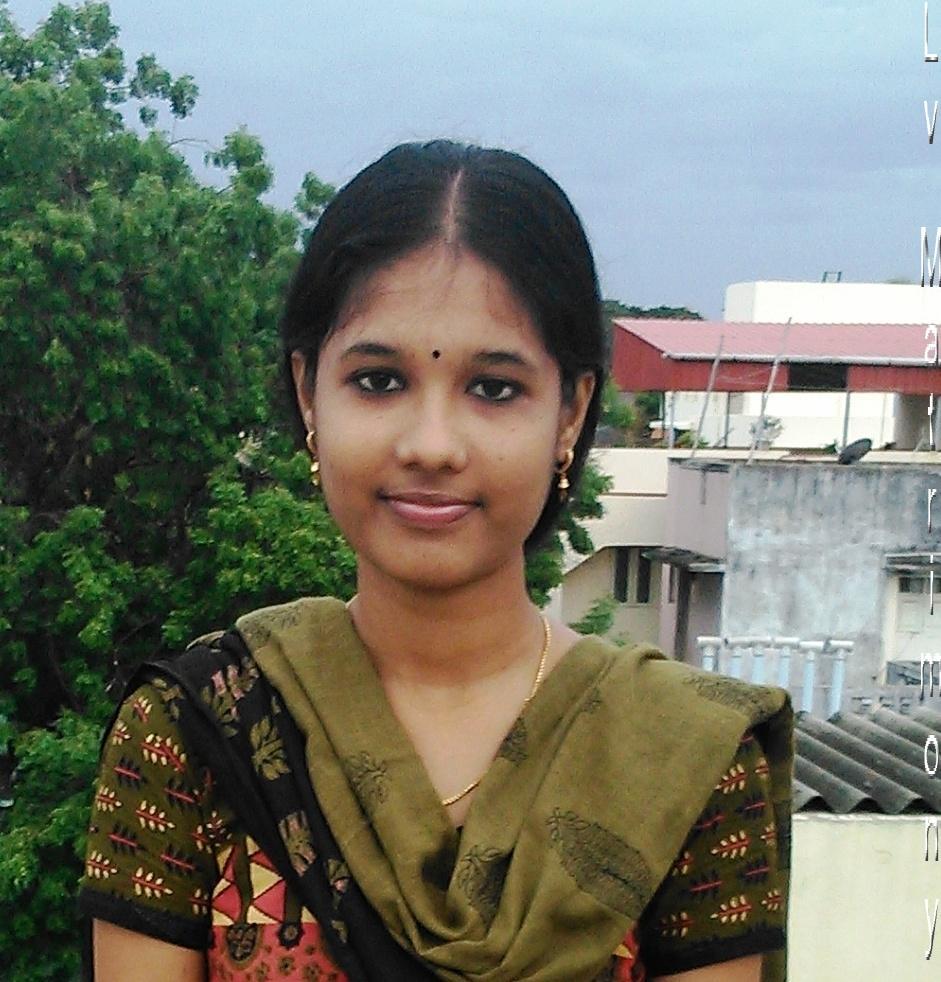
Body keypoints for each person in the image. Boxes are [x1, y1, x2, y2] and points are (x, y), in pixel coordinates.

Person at [78, 140, 794, 982]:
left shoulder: (680, 760)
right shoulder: (198, 735)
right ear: (309, 394)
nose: (431, 445)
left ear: (570, 413)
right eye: (379, 381)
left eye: (493, 388)